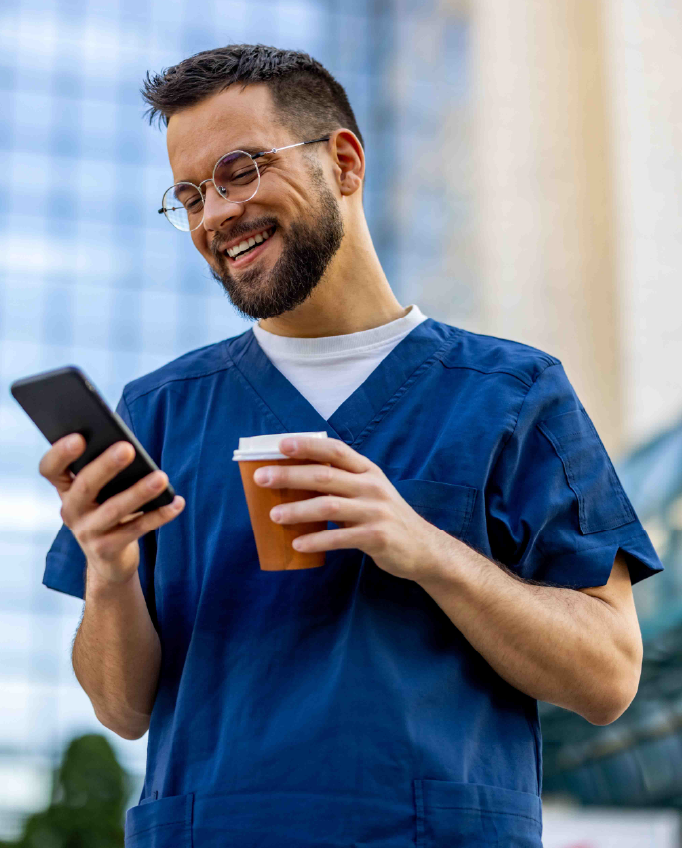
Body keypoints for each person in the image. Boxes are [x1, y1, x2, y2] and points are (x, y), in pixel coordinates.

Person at [39, 44, 664, 847]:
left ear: (342, 160)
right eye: (188, 195)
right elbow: (120, 708)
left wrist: (425, 550)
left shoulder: (511, 394)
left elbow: (608, 677)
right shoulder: (160, 412)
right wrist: (111, 570)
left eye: (239, 170)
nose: (213, 215)